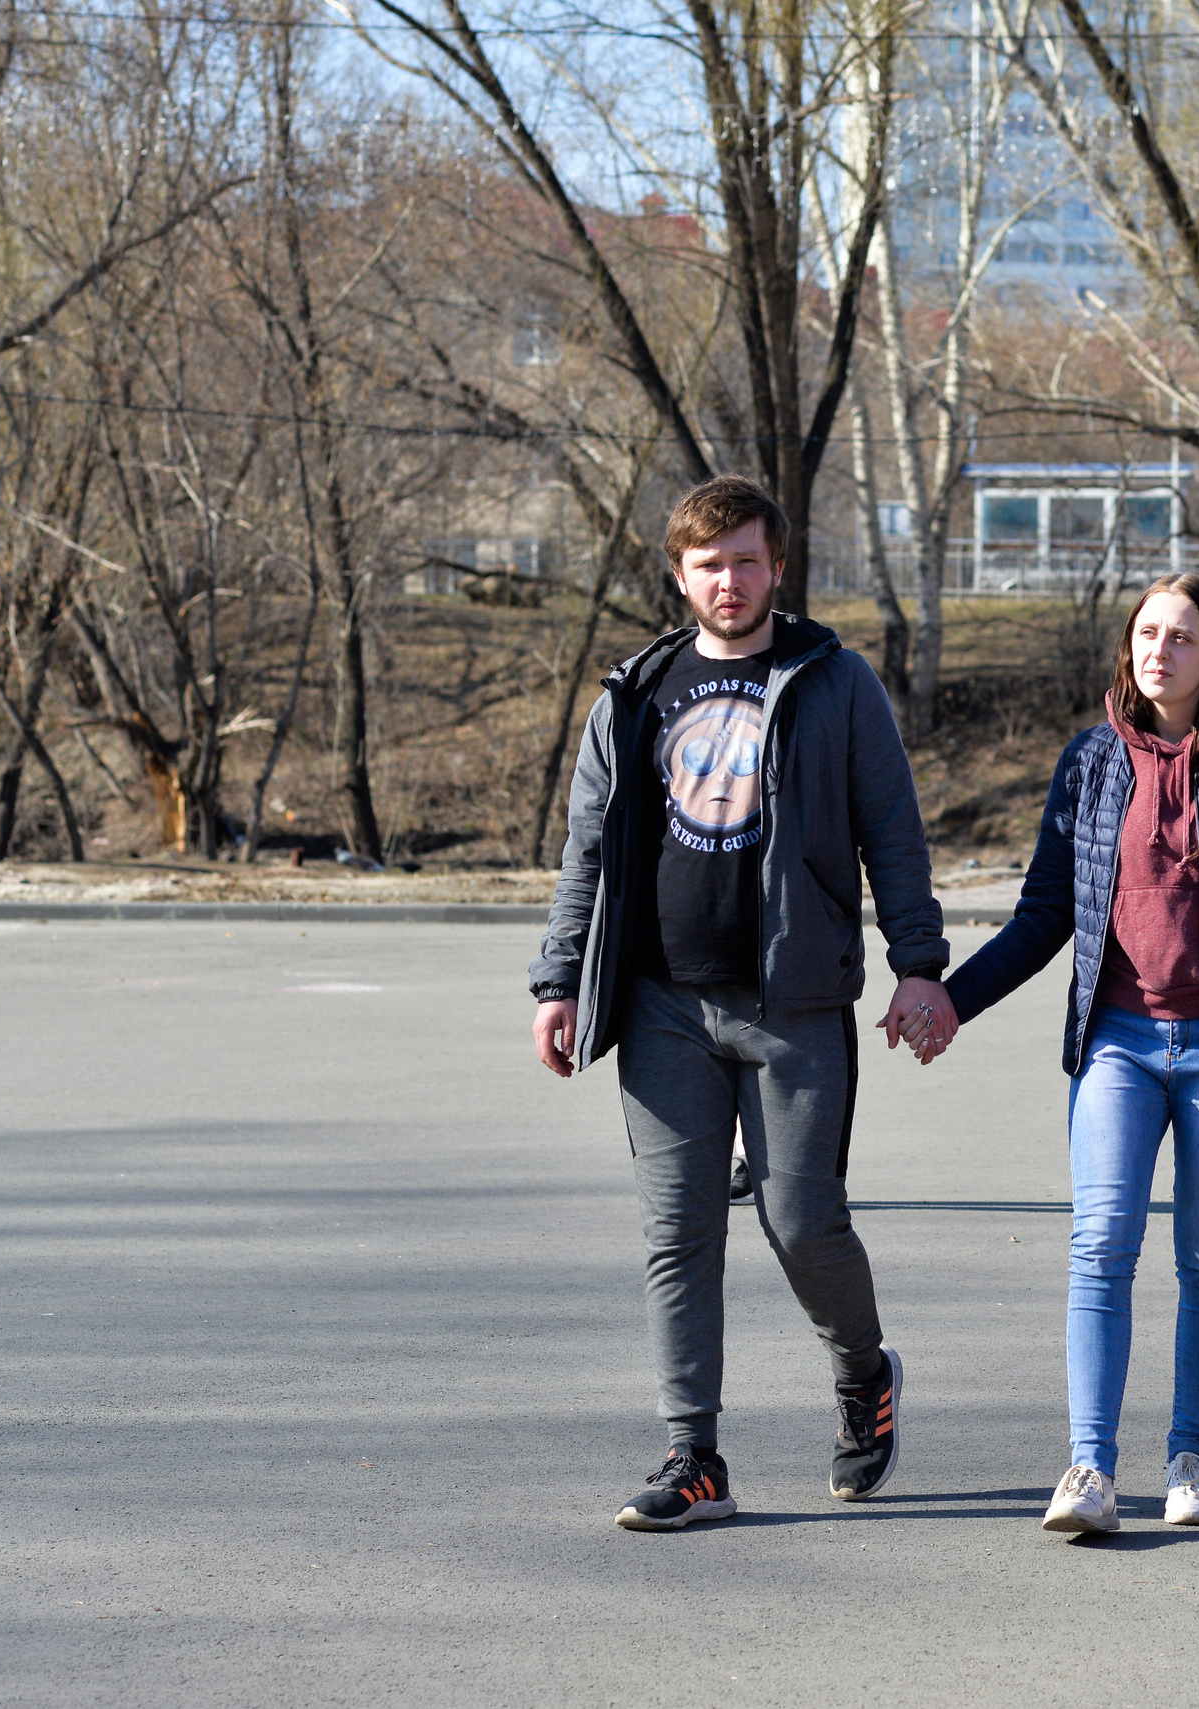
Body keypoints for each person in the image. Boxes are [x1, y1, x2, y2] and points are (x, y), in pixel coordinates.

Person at [528, 475, 953, 1531]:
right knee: (676, 1233)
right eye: (709, 564)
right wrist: (557, 978)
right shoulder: (632, 692)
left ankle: (863, 1373)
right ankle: (693, 1453)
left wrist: (918, 961)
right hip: (661, 1001)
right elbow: (587, 846)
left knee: (802, 1220)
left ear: (777, 566)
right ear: (681, 575)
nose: (731, 580)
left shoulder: (833, 680)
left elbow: (890, 831)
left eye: (748, 560)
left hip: (793, 997)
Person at [941, 574, 1199, 1533]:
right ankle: (1088, 1470)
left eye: (1184, 636)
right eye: (1149, 632)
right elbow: (1041, 919)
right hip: (1115, 1040)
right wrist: (951, 1002)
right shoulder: (1091, 763)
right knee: (1101, 1248)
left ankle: (1190, 1458)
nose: (1162, 649)